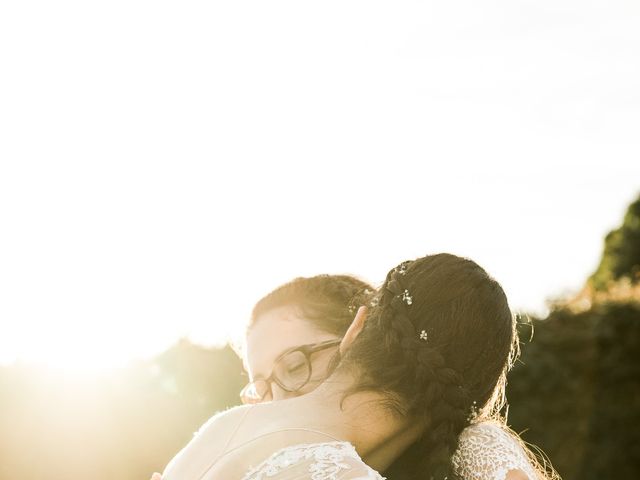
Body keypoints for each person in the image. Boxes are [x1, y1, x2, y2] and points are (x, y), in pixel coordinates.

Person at [160, 254, 553, 480]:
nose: (272, 401)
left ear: (355, 329)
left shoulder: (223, 428)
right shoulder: (333, 470)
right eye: (259, 387)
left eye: (294, 365)